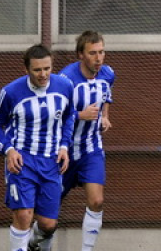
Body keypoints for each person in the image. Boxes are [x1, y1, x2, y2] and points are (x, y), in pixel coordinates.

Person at [27, 31, 115, 251]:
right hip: (62, 152)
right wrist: (79, 115)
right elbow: (54, 115)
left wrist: (105, 116)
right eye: (93, 53)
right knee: (48, 217)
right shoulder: (65, 80)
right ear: (80, 55)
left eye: (102, 52)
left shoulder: (108, 74)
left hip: (91, 149)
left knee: (97, 201)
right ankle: (35, 242)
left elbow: (106, 96)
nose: (99, 58)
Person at [0, 44, 76, 251]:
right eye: (37, 70)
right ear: (26, 70)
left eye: (47, 68)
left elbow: (70, 115)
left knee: (48, 224)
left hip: (52, 162)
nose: (43, 74)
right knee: (24, 215)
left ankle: (34, 245)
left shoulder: (64, 87)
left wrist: (64, 146)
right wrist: (8, 150)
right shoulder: (10, 92)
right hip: (22, 161)